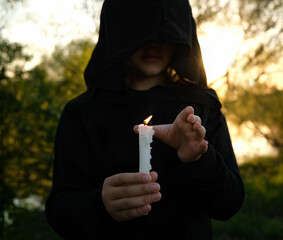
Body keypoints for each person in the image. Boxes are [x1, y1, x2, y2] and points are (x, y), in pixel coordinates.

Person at [45, 0, 245, 239]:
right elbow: (60, 210)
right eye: (141, 33)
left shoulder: (201, 108)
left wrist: (201, 158)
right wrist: (100, 204)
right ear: (120, 33)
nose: (154, 44)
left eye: (165, 34)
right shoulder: (82, 115)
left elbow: (228, 204)